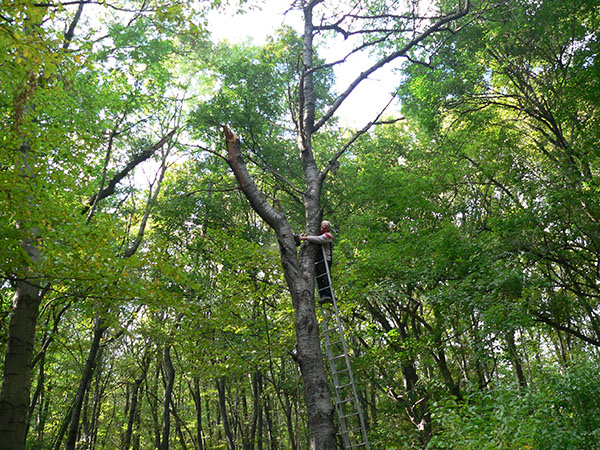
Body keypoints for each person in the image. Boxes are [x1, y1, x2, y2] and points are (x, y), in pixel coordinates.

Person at [299, 221, 334, 304]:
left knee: (325, 277)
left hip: (326, 259)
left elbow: (319, 239)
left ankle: (329, 295)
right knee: (318, 278)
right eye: (321, 227)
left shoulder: (328, 235)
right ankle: (323, 295)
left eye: (324, 228)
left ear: (328, 229)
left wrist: (306, 238)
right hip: (318, 260)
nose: (322, 229)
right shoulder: (319, 233)